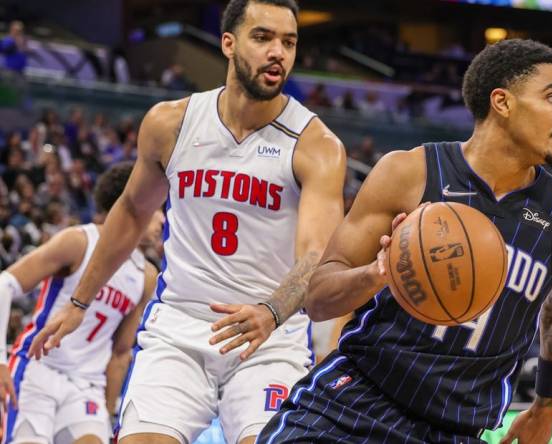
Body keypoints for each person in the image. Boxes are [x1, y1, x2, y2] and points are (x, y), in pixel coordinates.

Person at [28, 1, 346, 443]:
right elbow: (134, 211)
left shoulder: (317, 145)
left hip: (268, 339)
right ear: (228, 44)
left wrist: (271, 313)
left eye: (288, 42)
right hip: (180, 329)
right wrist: (79, 302)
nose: (278, 52)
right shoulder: (170, 123)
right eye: (263, 37)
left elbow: (318, 253)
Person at [259, 39, 552, 444]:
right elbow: (318, 300)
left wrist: (547, 404)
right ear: (502, 102)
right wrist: (376, 273)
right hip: (356, 401)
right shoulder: (408, 173)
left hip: (455, 430)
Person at [0, 163, 158, 444]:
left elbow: (121, 354)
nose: (162, 220)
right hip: (38, 370)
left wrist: (108, 414)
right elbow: (4, 284)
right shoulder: (78, 241)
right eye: (158, 208)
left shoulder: (146, 276)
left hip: (87, 386)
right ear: (135, 203)